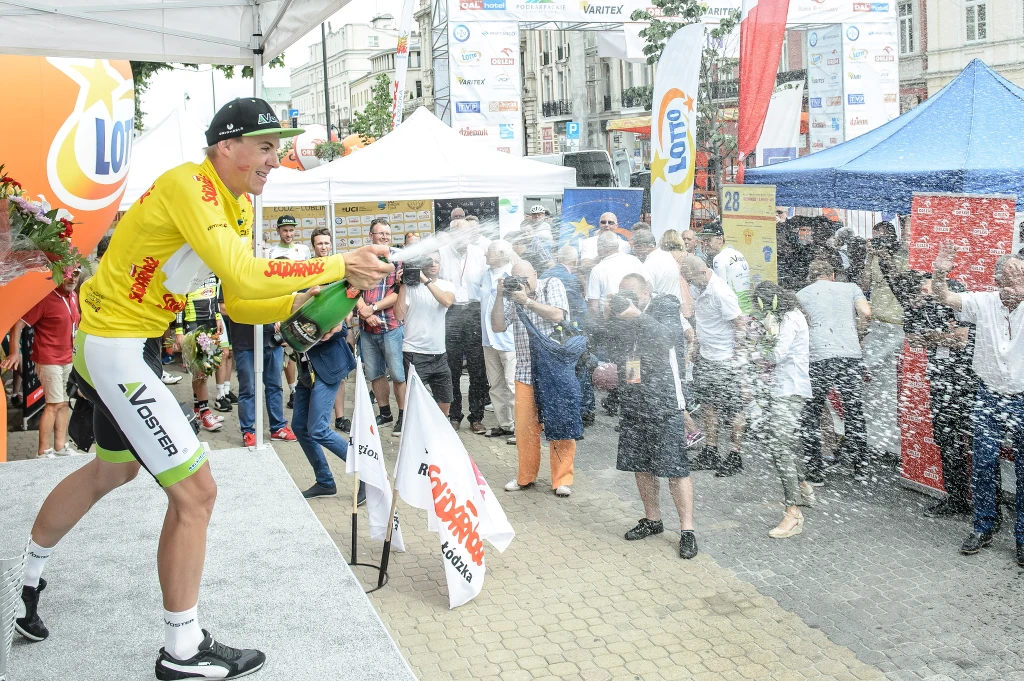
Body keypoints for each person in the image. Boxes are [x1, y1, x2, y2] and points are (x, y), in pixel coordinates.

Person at [12, 97, 394, 680]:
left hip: (124, 344)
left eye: (279, 146)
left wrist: (298, 301)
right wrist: (337, 264)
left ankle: (23, 581)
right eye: (265, 147)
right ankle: (182, 650)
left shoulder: (234, 204)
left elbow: (240, 300)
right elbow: (242, 275)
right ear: (226, 147)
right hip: (115, 347)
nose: (276, 157)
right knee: (197, 494)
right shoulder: (193, 186)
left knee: (110, 471)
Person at [930, 246, 1024, 565]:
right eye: (1009, 277)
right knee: (983, 463)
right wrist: (940, 271)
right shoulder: (982, 302)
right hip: (988, 394)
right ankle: (984, 525)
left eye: (1021, 277)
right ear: (997, 280)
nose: (1015, 285)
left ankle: (1022, 537)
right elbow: (943, 297)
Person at [610, 274, 698, 559]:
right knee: (640, 465)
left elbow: (666, 339)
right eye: (624, 294)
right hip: (635, 402)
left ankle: (687, 531)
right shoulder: (622, 315)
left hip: (665, 402)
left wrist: (636, 315)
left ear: (646, 291)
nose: (628, 299)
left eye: (632, 294)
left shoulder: (664, 307)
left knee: (676, 469)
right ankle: (653, 519)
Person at [494, 261, 577, 497]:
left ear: (535, 275)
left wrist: (527, 301)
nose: (521, 283)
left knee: (560, 425)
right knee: (525, 430)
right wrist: (501, 296)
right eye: (515, 278)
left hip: (555, 371)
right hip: (524, 372)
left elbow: (558, 315)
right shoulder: (512, 296)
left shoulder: (552, 284)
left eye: (524, 278)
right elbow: (498, 326)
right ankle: (525, 476)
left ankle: (561, 479)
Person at [897, 271, 976, 516]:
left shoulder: (955, 291)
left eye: (920, 292)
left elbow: (962, 340)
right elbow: (913, 340)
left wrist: (933, 338)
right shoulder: (914, 306)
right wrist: (941, 338)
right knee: (946, 439)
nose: (916, 300)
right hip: (940, 380)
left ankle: (987, 509)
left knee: (976, 445)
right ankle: (957, 499)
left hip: (968, 379)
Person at [796, 260, 872, 483]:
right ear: (833, 275)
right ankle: (861, 468)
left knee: (812, 412)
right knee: (854, 410)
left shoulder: (802, 294)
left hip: (820, 355)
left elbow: (803, 325)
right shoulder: (850, 288)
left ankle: (815, 471)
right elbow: (866, 313)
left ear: (811, 276)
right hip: (850, 354)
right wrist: (859, 334)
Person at [752, 281, 816, 538]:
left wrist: (752, 355)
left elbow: (777, 354)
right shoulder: (790, 315)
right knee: (782, 444)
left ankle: (793, 513)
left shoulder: (790, 318)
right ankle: (803, 487)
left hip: (789, 390)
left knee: (779, 447)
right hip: (784, 389)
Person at [1, 267, 82, 458]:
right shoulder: (46, 298)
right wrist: (13, 352)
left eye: (76, 274)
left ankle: (61, 447)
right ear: (58, 275)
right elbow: (18, 324)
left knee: (63, 403)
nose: (72, 278)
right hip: (49, 359)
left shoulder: (73, 296)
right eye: (67, 274)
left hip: (67, 357)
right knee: (54, 404)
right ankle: (43, 451)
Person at [679, 255, 747, 477]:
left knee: (734, 409)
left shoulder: (721, 291)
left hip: (725, 360)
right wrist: (696, 347)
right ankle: (711, 450)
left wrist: (737, 359)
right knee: (708, 406)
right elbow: (703, 322)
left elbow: (740, 324)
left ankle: (735, 455)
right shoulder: (700, 289)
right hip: (707, 359)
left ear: (702, 271)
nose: (687, 282)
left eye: (689, 277)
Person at [293, 319, 364, 501]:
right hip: (307, 369)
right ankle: (325, 482)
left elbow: (342, 330)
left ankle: (366, 474)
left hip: (328, 366)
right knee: (300, 427)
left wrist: (307, 335)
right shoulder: (286, 297)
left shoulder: (319, 292)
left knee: (318, 429)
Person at [860, 221, 907, 459]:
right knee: (877, 388)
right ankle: (878, 440)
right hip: (877, 324)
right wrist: (870, 258)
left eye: (882, 238)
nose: (878, 242)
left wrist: (886, 256)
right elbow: (865, 286)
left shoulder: (902, 256)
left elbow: (902, 282)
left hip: (896, 326)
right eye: (874, 238)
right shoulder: (874, 258)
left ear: (892, 238)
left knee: (885, 385)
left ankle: (889, 442)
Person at [356, 218, 407, 434]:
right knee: (375, 373)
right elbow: (351, 289)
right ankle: (385, 413)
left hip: (391, 326)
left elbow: (398, 293)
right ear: (371, 236)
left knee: (397, 374)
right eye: (380, 234)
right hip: (367, 328)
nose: (385, 237)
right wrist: (364, 313)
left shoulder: (399, 259)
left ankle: (404, 417)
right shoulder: (360, 258)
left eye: (387, 233)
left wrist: (372, 308)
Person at [438, 218, 489, 433]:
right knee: (452, 368)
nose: (464, 238)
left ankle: (476, 417)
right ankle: (454, 414)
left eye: (468, 234)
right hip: (450, 312)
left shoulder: (479, 254)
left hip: (474, 312)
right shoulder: (440, 254)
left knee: (478, 368)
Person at [395, 252, 457, 412]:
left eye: (437, 261)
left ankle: (441, 433)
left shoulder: (447, 285)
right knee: (415, 403)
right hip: (414, 353)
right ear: (421, 264)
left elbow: (446, 301)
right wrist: (401, 285)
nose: (433, 264)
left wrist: (424, 279)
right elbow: (399, 315)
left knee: (444, 401)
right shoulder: (409, 287)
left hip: (439, 354)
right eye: (429, 261)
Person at [264, 214, 310, 407]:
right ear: (278, 231)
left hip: (299, 305)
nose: (288, 234)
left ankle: (302, 388)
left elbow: (308, 279)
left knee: (302, 350)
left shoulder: (304, 250)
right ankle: (291, 391)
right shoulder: (270, 252)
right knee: (284, 352)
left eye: (291, 230)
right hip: (280, 306)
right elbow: (268, 285)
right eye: (285, 230)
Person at [175, 274, 229, 433]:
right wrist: (179, 331)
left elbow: (215, 297)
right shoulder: (190, 272)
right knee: (200, 373)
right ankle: (206, 413)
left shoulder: (214, 271)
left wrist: (218, 317)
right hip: (193, 326)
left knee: (207, 368)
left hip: (210, 325)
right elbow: (179, 304)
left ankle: (199, 409)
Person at [480, 241, 517, 438]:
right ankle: (505, 425)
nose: (486, 254)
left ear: (503, 254)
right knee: (495, 385)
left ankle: (520, 429)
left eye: (490, 251)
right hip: (488, 339)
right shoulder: (486, 275)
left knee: (512, 385)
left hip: (509, 339)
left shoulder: (512, 274)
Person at [586, 232, 646, 318]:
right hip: (635, 314)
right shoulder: (634, 261)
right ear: (617, 246)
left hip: (612, 318)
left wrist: (599, 325)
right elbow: (648, 286)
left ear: (600, 249)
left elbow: (593, 307)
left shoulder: (598, 269)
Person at [698, 220, 752, 314]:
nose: (705, 244)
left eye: (708, 240)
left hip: (734, 308)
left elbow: (720, 291)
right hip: (747, 307)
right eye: (704, 240)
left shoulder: (719, 258)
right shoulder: (737, 253)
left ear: (720, 239)